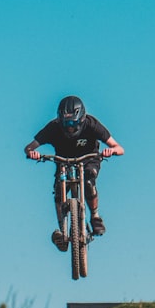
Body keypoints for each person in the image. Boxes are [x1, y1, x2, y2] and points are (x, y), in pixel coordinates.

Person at [24, 95, 124, 251]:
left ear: (82, 119)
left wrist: (111, 151)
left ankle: (95, 216)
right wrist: (32, 153)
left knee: (89, 181)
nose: (70, 127)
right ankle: (62, 230)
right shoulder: (53, 128)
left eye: (73, 123)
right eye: (66, 123)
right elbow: (29, 147)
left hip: (88, 159)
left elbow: (119, 147)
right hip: (63, 160)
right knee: (58, 191)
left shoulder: (92, 125)